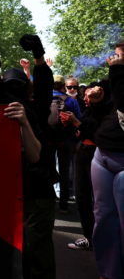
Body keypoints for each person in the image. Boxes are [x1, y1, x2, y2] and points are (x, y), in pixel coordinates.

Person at [4, 33, 58, 279]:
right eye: (9, 88)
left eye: (19, 87)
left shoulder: (36, 109)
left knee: (37, 252)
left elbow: (45, 87)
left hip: (37, 191)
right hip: (9, 192)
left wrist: (39, 56)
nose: (14, 93)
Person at [91, 46, 124, 279]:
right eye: (115, 54)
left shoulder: (118, 75)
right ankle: (109, 272)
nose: (114, 58)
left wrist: (117, 72)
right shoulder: (114, 77)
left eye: (120, 54)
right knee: (103, 217)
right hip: (102, 154)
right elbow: (112, 113)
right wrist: (97, 102)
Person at [64, 84, 110, 251]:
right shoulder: (88, 110)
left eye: (90, 96)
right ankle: (89, 236)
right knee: (81, 197)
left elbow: (97, 134)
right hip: (82, 153)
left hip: (95, 155)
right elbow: (83, 130)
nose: (85, 99)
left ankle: (102, 238)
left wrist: (76, 123)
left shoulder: (106, 112)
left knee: (98, 199)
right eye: (86, 95)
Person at [52, 75, 82, 213]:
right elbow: (78, 121)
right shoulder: (71, 101)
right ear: (63, 86)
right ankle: (63, 204)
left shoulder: (43, 97)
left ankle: (49, 201)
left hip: (47, 140)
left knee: (47, 168)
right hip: (66, 140)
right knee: (64, 172)